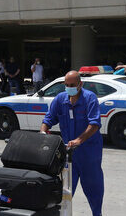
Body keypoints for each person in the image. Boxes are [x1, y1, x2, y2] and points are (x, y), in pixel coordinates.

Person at [41, 71, 103, 216]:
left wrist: (79, 140)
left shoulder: (90, 98)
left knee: (94, 189)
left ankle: (97, 214)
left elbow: (94, 124)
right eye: (67, 85)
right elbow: (49, 118)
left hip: (89, 154)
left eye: (72, 85)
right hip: (68, 155)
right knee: (65, 192)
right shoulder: (60, 99)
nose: (69, 88)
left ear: (80, 84)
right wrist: (43, 133)